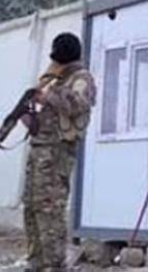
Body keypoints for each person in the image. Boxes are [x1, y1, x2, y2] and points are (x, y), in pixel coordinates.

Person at [22, 32, 96, 271]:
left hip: (57, 152)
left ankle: (54, 264)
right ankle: (36, 261)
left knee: (50, 208)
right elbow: (48, 116)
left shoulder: (81, 78)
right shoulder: (55, 79)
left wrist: (48, 95)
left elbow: (76, 105)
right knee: (31, 207)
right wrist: (29, 117)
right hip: (40, 149)